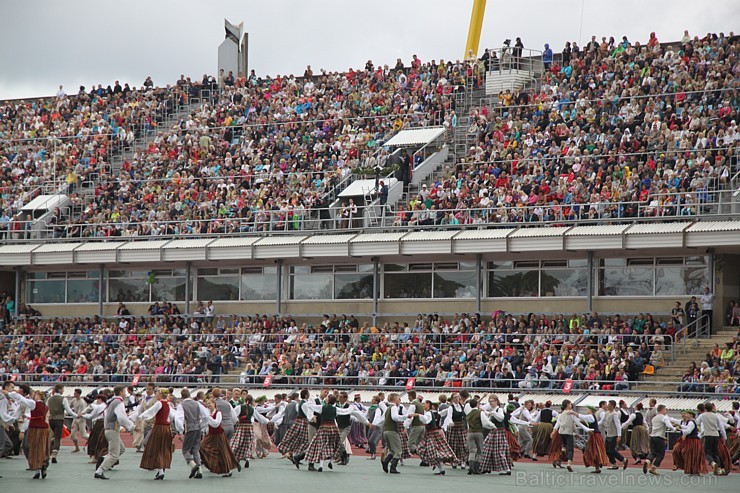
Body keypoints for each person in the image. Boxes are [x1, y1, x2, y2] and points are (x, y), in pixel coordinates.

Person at [302, 393, 367, 472]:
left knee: (321, 445)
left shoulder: (322, 407)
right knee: (335, 444)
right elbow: (345, 411)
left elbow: (311, 407)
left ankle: (321, 465)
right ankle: (331, 461)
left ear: (328, 401)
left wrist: (310, 401)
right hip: (333, 428)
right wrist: (352, 407)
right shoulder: (335, 409)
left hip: (323, 428)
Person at [95, 386, 135, 480]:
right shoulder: (119, 402)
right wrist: (131, 426)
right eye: (124, 392)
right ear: (121, 392)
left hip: (109, 429)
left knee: (121, 449)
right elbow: (121, 417)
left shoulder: (111, 402)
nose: (125, 394)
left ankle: (104, 458)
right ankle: (100, 470)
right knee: (114, 455)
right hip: (113, 430)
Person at [136, 388, 175, 480]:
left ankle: (161, 471)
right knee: (163, 449)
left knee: (156, 448)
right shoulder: (168, 404)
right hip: (166, 428)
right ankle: (161, 469)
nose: (156, 395)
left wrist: (141, 416)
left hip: (159, 427)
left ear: (161, 395)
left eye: (157, 393)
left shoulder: (159, 403)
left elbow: (151, 411)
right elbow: (172, 416)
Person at [200, 396, 241, 477]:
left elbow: (216, 424)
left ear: (214, 404)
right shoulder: (208, 413)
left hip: (219, 434)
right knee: (202, 446)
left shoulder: (218, 413)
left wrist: (208, 418)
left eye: (210, 403)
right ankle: (212, 464)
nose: (208, 405)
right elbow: (204, 423)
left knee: (223, 452)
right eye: (207, 404)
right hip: (211, 435)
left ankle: (229, 470)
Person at [174, 388, 211, 479]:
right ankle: (199, 471)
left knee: (185, 450)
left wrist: (180, 431)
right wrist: (201, 425)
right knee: (195, 449)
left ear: (182, 396)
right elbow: (206, 416)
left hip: (189, 428)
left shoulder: (181, 405)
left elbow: (179, 419)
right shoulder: (197, 403)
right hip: (198, 428)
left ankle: (193, 465)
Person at [416, 400, 456, 475]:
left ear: (428, 404)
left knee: (431, 451)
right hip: (434, 434)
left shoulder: (428, 413)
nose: (423, 405)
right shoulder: (435, 413)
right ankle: (440, 465)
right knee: (427, 450)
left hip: (432, 434)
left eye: (424, 404)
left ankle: (441, 463)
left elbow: (426, 421)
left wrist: (418, 415)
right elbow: (444, 412)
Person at [278, 389, 314, 462]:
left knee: (296, 438)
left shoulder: (300, 403)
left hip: (298, 422)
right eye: (308, 394)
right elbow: (308, 414)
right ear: (306, 395)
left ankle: (292, 453)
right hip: (302, 422)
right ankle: (296, 455)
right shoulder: (303, 404)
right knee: (304, 440)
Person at [644, 404, 680, 475]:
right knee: (660, 454)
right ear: (662, 409)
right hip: (659, 438)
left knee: (653, 452)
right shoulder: (664, 417)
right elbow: (669, 425)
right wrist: (675, 429)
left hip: (652, 437)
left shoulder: (654, 418)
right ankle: (653, 468)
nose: (666, 411)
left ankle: (647, 461)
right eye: (665, 409)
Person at [47, 383, 75, 463]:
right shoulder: (63, 399)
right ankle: (54, 454)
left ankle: (50, 449)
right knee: (57, 438)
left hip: (51, 419)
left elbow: (47, 409)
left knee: (52, 436)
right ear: (59, 390)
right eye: (63, 389)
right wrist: (76, 415)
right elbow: (68, 410)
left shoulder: (50, 399)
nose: (63, 390)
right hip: (59, 420)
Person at [697, 402, 726, 475]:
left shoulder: (702, 415)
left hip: (708, 435)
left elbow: (696, 422)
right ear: (712, 408)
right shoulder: (716, 416)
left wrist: (700, 430)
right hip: (716, 435)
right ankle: (719, 468)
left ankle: (713, 463)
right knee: (715, 453)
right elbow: (721, 427)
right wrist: (724, 437)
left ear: (705, 408)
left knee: (706, 452)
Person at [381, 393, 406, 474]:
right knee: (398, 451)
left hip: (386, 431)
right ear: (395, 399)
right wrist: (405, 417)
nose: (399, 400)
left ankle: (386, 461)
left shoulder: (388, 408)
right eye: (398, 398)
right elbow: (395, 417)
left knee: (392, 450)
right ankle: (393, 468)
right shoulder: (394, 407)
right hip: (392, 431)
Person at [578, 406, 608, 474]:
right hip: (594, 435)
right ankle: (597, 466)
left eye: (587, 409)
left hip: (595, 435)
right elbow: (587, 423)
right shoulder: (592, 417)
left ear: (590, 410)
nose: (586, 410)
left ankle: (599, 463)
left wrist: (573, 413)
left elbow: (582, 417)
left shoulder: (591, 416)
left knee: (595, 450)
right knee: (595, 450)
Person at [600, 400, 628, 470]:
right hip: (608, 434)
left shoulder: (614, 414)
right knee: (607, 450)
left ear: (612, 405)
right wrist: (595, 425)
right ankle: (614, 464)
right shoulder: (606, 413)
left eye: (608, 404)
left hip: (614, 435)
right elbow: (602, 421)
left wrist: (619, 435)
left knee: (612, 450)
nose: (607, 406)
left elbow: (618, 425)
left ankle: (623, 459)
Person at [81, 393, 108, 464]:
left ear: (100, 399)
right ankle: (101, 456)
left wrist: (83, 415)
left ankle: (95, 458)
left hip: (99, 423)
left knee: (94, 440)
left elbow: (91, 416)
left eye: (98, 399)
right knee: (102, 441)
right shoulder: (107, 406)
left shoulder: (98, 407)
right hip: (105, 424)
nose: (97, 400)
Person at [679, 409, 707, 475]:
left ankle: (695, 470)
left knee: (692, 455)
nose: (685, 415)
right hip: (692, 440)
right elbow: (687, 427)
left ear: (691, 415)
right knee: (692, 455)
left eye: (687, 414)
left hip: (692, 441)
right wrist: (681, 426)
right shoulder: (691, 422)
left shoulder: (691, 422)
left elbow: (688, 431)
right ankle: (694, 470)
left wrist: (680, 429)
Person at [446, 393, 469, 468]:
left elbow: (466, 417)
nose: (457, 399)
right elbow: (449, 416)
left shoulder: (462, 406)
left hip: (461, 427)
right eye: (455, 397)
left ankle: (463, 461)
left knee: (462, 445)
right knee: (453, 445)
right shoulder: (451, 407)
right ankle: (454, 461)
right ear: (452, 398)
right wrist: (450, 422)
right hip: (453, 428)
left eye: (458, 397)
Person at [68, 388, 89, 453]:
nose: (74, 394)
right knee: (72, 435)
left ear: (78, 394)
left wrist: (74, 414)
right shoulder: (74, 400)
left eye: (75, 393)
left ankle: (93, 439)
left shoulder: (82, 402)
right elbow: (69, 407)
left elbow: (80, 413)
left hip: (81, 420)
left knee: (83, 435)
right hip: (75, 419)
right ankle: (77, 448)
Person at [406, 390, 426, 456]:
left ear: (411, 396)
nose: (408, 398)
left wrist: (405, 426)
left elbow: (410, 416)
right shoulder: (420, 404)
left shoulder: (413, 404)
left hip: (417, 426)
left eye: (408, 396)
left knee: (410, 444)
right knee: (420, 443)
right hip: (422, 426)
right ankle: (424, 458)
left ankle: (422, 454)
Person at [365, 395, 384, 460]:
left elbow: (377, 417)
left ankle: (373, 453)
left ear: (376, 401)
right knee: (369, 440)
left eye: (373, 399)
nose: (371, 400)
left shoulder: (378, 409)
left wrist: (373, 424)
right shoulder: (370, 408)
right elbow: (366, 416)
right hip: (370, 426)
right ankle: (372, 454)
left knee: (371, 441)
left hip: (376, 427)